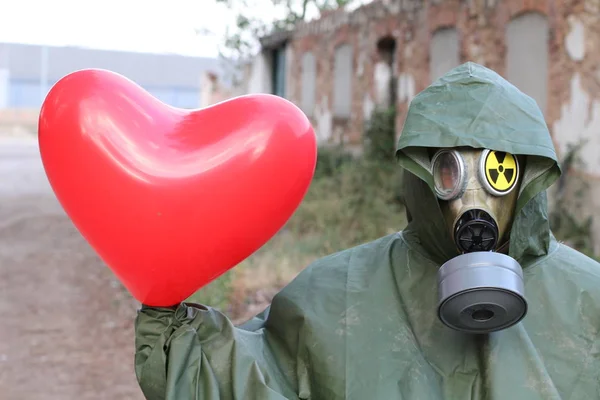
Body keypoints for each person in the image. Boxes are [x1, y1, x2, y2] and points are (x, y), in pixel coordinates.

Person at [133, 62, 600, 400]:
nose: (472, 199)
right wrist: (172, 330)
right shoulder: (338, 292)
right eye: (450, 173)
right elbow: (257, 374)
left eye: (499, 171)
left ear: (529, 176)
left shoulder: (587, 300)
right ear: (421, 177)